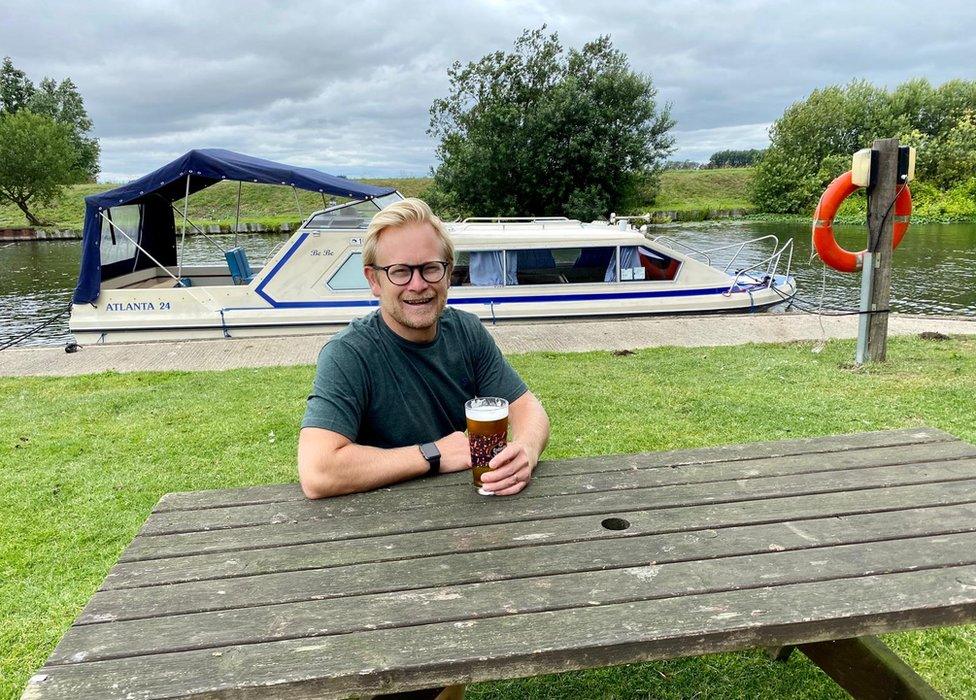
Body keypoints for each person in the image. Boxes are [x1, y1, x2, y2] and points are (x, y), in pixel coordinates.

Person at [298, 197, 550, 500]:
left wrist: (525, 450)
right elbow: (318, 471)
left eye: (431, 268)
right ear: (374, 280)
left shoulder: (466, 332)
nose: (418, 285)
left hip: (459, 513)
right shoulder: (348, 353)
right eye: (400, 271)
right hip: (375, 524)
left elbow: (527, 408)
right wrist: (434, 454)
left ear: (448, 273)